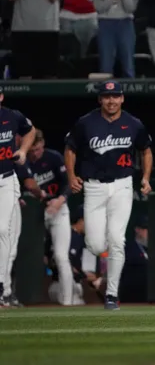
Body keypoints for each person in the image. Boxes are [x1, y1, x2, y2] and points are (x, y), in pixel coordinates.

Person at [63, 80, 153, 310]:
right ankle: (106, 266)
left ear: (122, 98)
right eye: (106, 96)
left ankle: (111, 294)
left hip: (122, 185)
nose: (111, 101)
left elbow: (146, 150)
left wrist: (145, 177)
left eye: (115, 96)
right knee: (95, 245)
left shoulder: (133, 123)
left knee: (117, 240)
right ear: (100, 99)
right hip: (94, 187)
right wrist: (72, 176)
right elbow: (70, 148)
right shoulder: (86, 122)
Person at [26, 129, 74, 306]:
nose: (35, 153)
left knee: (61, 256)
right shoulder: (22, 161)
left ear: (42, 145)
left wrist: (59, 201)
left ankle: (67, 302)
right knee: (21, 254)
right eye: (32, 150)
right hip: (32, 213)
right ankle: (14, 296)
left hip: (57, 209)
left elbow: (69, 183)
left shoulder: (53, 158)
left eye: (38, 149)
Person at [0, 88, 36, 306]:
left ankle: (1, 285)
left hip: (5, 179)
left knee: (3, 230)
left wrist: (23, 151)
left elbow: (31, 131)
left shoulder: (12, 116)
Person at [3, 162, 43, 307]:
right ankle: (4, 293)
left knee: (9, 250)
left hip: (11, 199)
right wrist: (41, 193)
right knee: (9, 249)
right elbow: (30, 183)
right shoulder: (14, 154)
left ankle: (5, 292)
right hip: (9, 203)